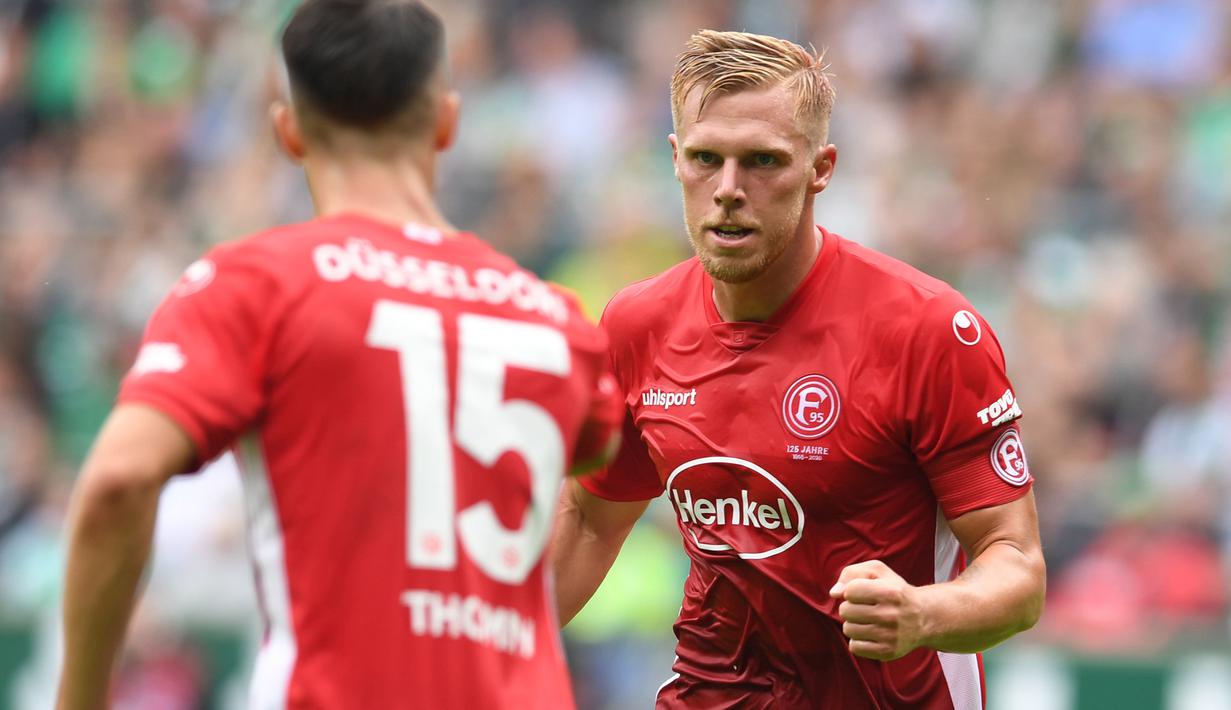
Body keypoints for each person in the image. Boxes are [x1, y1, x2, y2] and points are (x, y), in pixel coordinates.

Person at [56, 2, 620, 708]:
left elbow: (117, 481)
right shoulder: (554, 318)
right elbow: (603, 464)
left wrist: (77, 696)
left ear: (287, 132)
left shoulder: (257, 285)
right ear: (445, 122)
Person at [552, 29, 1046, 710]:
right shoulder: (638, 323)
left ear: (821, 167)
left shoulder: (928, 331)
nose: (727, 189)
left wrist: (920, 613)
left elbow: (1016, 571)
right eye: (705, 159)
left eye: (761, 161)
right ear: (675, 160)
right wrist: (467, 661)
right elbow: (587, 521)